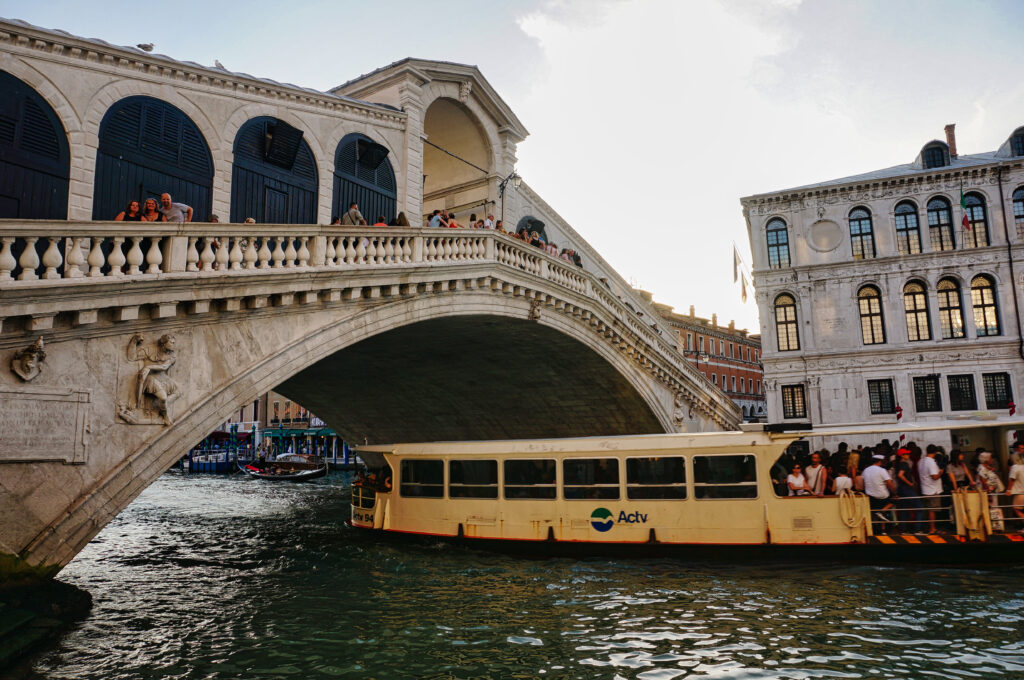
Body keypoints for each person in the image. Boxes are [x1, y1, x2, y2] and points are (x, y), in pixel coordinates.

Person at [863, 454, 896, 532]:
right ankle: (881, 513)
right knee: (894, 500)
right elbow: (889, 483)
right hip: (882, 496)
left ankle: (880, 528)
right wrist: (894, 493)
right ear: (880, 461)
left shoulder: (866, 470)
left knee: (878, 514)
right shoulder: (882, 470)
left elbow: (863, 483)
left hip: (871, 496)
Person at [918, 445, 944, 533]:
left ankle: (928, 527)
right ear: (935, 452)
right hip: (933, 490)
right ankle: (932, 529)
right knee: (932, 510)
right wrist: (940, 472)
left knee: (928, 510)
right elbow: (934, 476)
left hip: (925, 489)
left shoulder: (922, 461)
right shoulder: (931, 462)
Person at [894, 447, 920, 532]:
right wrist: (910, 483)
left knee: (903, 510)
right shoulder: (904, 464)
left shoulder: (897, 464)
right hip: (907, 488)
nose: (908, 455)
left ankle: (904, 530)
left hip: (901, 488)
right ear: (902, 455)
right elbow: (900, 475)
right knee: (919, 507)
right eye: (907, 454)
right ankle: (917, 529)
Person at [1008, 450, 1024, 530]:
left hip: (1020, 493)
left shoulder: (1015, 467)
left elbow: (1012, 479)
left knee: (1016, 509)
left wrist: (1008, 490)